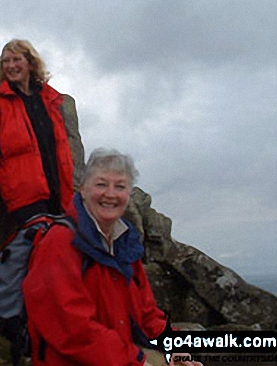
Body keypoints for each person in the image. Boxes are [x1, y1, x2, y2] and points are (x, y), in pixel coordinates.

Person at [22, 148, 202, 366]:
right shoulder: (59, 243)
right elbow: (73, 329)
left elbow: (147, 314)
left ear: (129, 194)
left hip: (115, 355)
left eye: (120, 186)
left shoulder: (124, 242)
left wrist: (175, 348)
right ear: (83, 190)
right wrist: (135, 361)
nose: (110, 194)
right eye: (101, 184)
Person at [0, 40, 74, 337]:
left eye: (16, 59)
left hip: (58, 193)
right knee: (34, 258)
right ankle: (22, 325)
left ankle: (52, 323)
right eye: (5, 61)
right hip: (23, 194)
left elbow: (61, 150)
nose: (10, 66)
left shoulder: (49, 99)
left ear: (30, 63)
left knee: (58, 257)